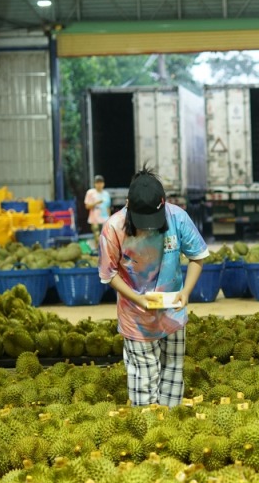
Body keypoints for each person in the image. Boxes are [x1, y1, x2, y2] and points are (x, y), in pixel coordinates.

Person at [98, 167, 210, 408]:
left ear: (163, 204)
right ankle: (148, 433)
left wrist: (186, 292)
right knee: (143, 377)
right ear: (128, 204)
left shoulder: (177, 217)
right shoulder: (113, 228)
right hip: (135, 317)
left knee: (173, 372)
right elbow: (109, 274)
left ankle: (168, 430)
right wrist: (137, 299)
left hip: (172, 314)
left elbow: (197, 256)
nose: (148, 227)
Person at [86, 175, 112, 244]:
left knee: (105, 237)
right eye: (97, 183)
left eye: (100, 183)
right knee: (97, 236)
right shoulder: (90, 193)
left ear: (103, 184)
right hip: (95, 219)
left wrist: (110, 219)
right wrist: (96, 203)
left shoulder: (106, 194)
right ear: (95, 184)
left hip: (105, 219)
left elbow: (108, 207)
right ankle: (98, 251)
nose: (99, 185)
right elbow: (87, 206)